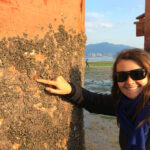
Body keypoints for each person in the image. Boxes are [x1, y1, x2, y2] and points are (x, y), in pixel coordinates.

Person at [37, 48, 150, 150]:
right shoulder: (123, 105)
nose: (129, 81)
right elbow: (95, 102)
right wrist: (69, 89)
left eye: (138, 74)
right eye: (122, 76)